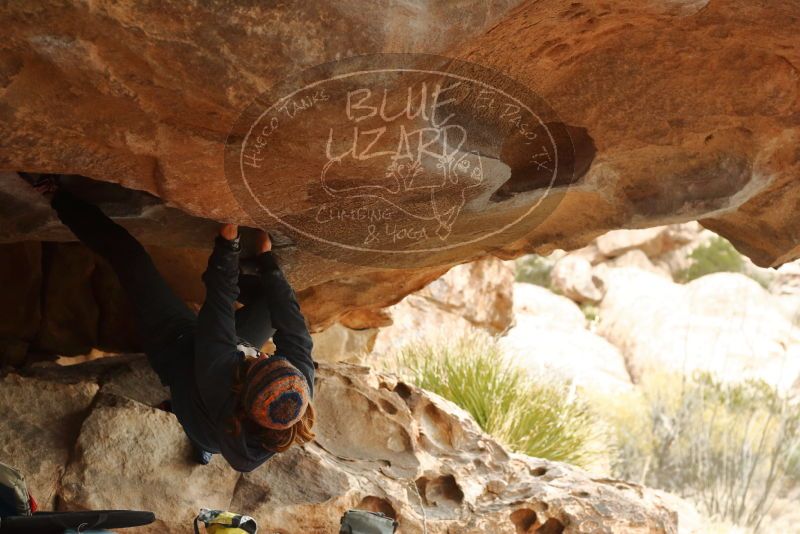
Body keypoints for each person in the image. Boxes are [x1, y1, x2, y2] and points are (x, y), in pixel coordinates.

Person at [34, 175, 315, 473]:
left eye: (258, 362)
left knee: (131, 259)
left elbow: (218, 304)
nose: (262, 354)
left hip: (179, 350)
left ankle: (55, 196)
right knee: (272, 304)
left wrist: (228, 245)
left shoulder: (217, 380)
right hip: (226, 382)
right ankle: (205, 439)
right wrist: (266, 260)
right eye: (271, 358)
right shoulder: (298, 391)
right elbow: (292, 324)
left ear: (241, 390)